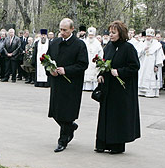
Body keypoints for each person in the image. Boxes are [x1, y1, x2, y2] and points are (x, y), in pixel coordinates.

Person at [96, 20, 140, 154]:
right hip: (108, 87)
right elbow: (104, 63)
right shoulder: (108, 46)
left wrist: (120, 72)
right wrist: (101, 74)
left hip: (121, 90)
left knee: (117, 117)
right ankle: (102, 143)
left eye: (113, 32)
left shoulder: (128, 48)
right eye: (110, 32)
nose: (111, 35)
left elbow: (134, 66)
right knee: (105, 115)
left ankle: (116, 145)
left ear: (120, 34)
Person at [47, 18, 88, 153]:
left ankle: (62, 140)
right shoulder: (54, 42)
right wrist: (50, 70)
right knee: (55, 112)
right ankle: (70, 127)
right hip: (57, 82)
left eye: (65, 30)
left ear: (72, 29)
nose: (62, 32)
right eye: (60, 29)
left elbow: (83, 64)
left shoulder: (79, 45)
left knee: (67, 113)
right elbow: (47, 59)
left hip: (71, 84)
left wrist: (67, 70)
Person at [137, 28, 165, 97]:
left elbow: (159, 56)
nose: (148, 38)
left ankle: (151, 92)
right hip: (143, 64)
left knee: (152, 77)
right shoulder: (142, 43)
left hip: (152, 65)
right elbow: (137, 53)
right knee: (142, 76)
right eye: (147, 36)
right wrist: (143, 50)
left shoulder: (157, 45)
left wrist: (156, 65)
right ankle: (142, 91)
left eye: (150, 36)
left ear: (153, 37)